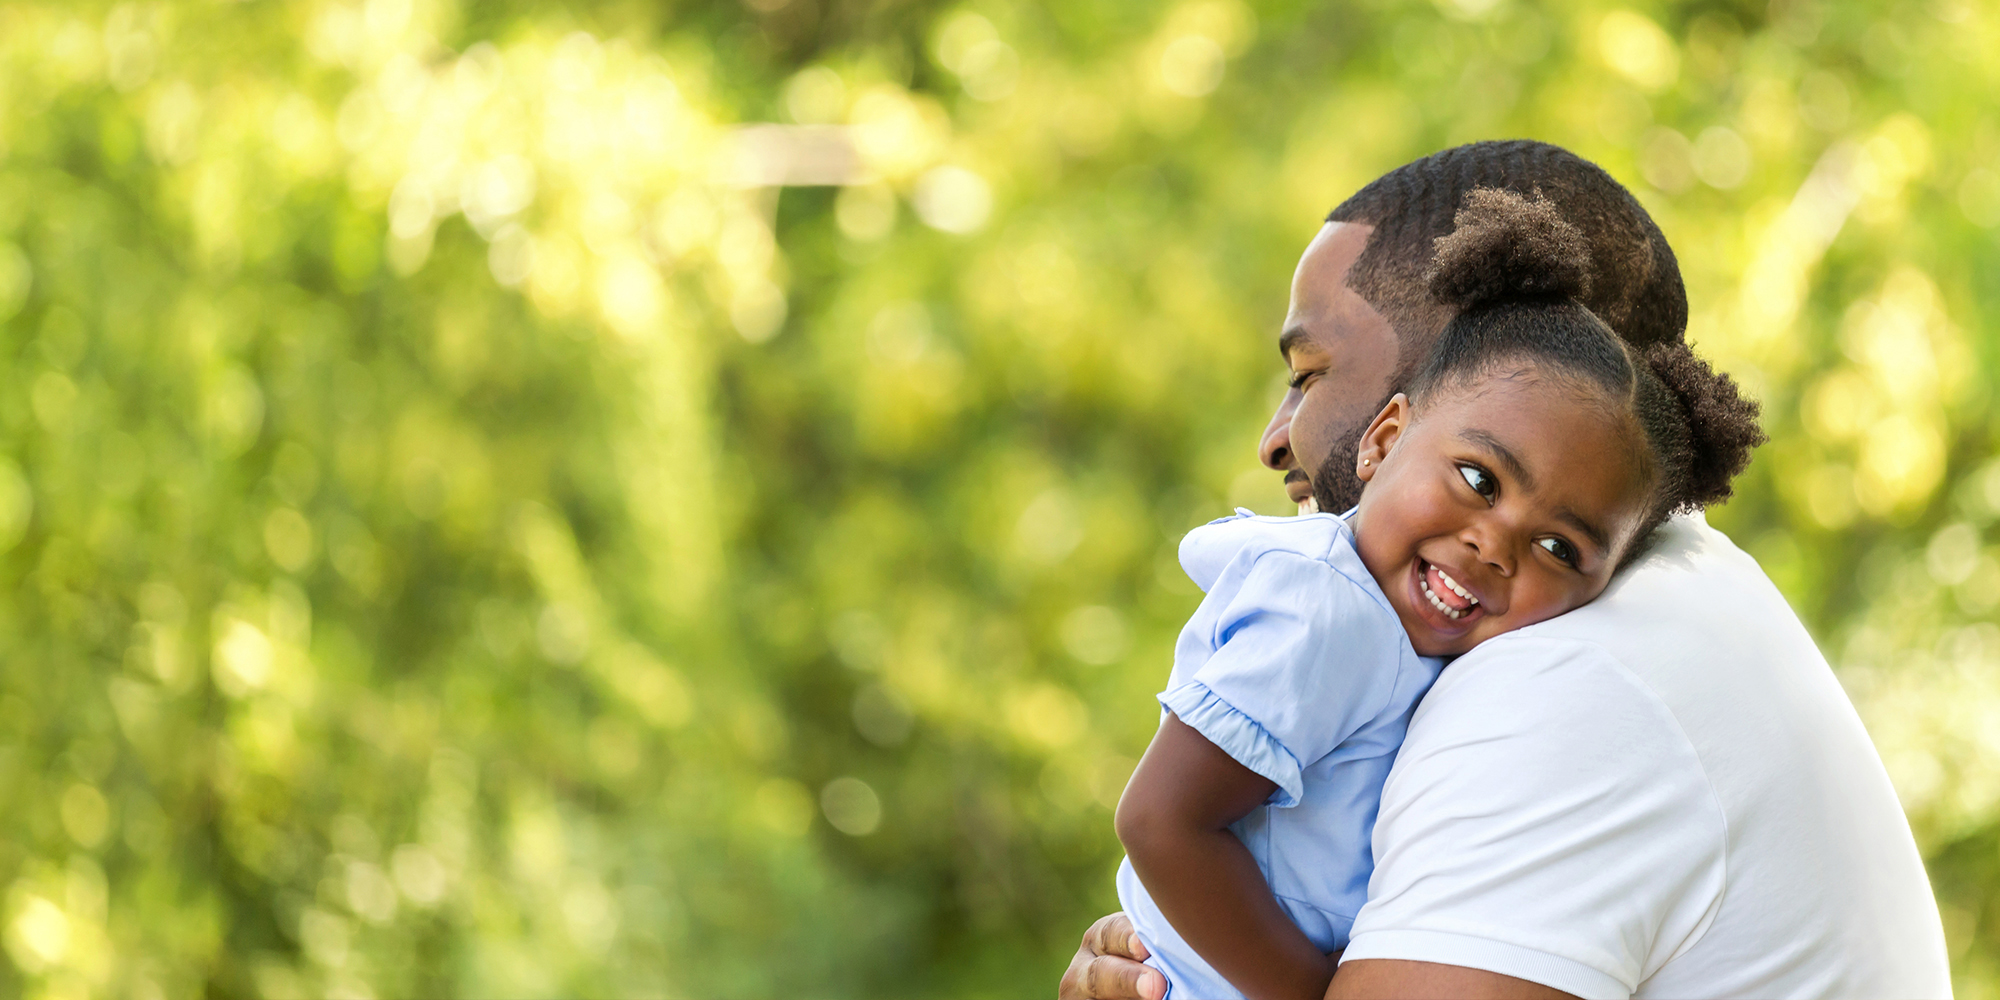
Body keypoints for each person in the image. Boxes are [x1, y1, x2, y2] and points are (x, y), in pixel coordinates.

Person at [1059, 141, 1953, 1000]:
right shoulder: (1641, 599)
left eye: (1311, 371)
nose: (1275, 437)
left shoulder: (1564, 679)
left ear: (1444, 375)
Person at [1114, 190, 1764, 1000]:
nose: (1495, 544)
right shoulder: (1328, 611)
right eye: (1477, 478)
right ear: (1385, 440)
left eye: (1560, 548)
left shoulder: (1464, 653)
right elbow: (1161, 822)